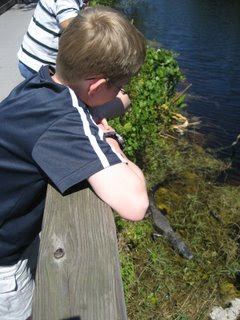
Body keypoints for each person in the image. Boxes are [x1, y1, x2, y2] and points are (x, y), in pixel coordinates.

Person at [0, 6, 148, 319]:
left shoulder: (38, 86)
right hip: (4, 263)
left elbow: (117, 103)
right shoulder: (64, 122)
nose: (121, 93)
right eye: (118, 85)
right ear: (96, 86)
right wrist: (109, 140)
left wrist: (107, 107)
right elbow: (135, 204)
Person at [17, 0, 130, 121]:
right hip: (39, 62)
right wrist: (93, 24)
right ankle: (58, 120)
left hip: (30, 57)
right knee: (55, 102)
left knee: (42, 97)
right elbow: (68, 23)